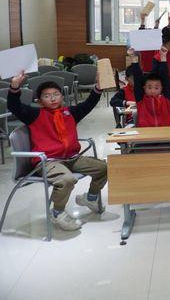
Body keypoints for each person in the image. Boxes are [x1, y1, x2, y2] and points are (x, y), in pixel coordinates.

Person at [7, 70, 106, 231]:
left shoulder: (70, 113)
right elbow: (14, 106)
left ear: (62, 97)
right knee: (66, 180)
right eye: (47, 96)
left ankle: (90, 198)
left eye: (56, 94)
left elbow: (88, 104)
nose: (52, 98)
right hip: (48, 161)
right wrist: (14, 87)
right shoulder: (34, 114)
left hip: (72, 158)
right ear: (40, 101)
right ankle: (57, 213)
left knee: (103, 167)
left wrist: (98, 88)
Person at [131, 46, 170, 127]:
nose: (153, 90)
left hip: (165, 132)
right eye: (149, 87)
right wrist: (134, 57)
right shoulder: (141, 100)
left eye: (156, 88)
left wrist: (163, 57)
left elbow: (166, 78)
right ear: (144, 88)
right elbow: (137, 79)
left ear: (161, 88)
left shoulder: (166, 99)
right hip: (146, 133)